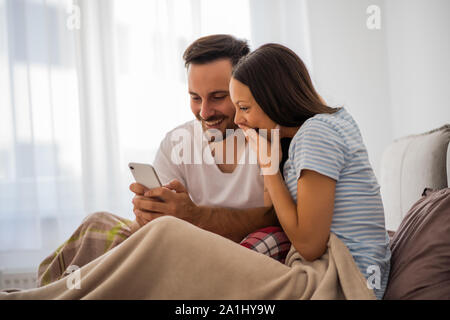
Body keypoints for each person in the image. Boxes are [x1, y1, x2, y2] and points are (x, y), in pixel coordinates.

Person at [37, 35, 290, 287]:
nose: (204, 112)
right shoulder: (178, 141)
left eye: (217, 97)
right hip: (175, 248)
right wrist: (148, 213)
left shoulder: (269, 139)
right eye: (195, 97)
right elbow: (153, 229)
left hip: (227, 254)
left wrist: (195, 217)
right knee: (97, 223)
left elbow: (274, 218)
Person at [229, 43, 391, 299]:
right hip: (338, 273)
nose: (237, 120)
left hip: (346, 280)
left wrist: (270, 170)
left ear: (276, 99)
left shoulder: (316, 134)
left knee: (174, 238)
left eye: (244, 108)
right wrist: (270, 163)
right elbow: (275, 217)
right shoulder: (330, 124)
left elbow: (309, 246)